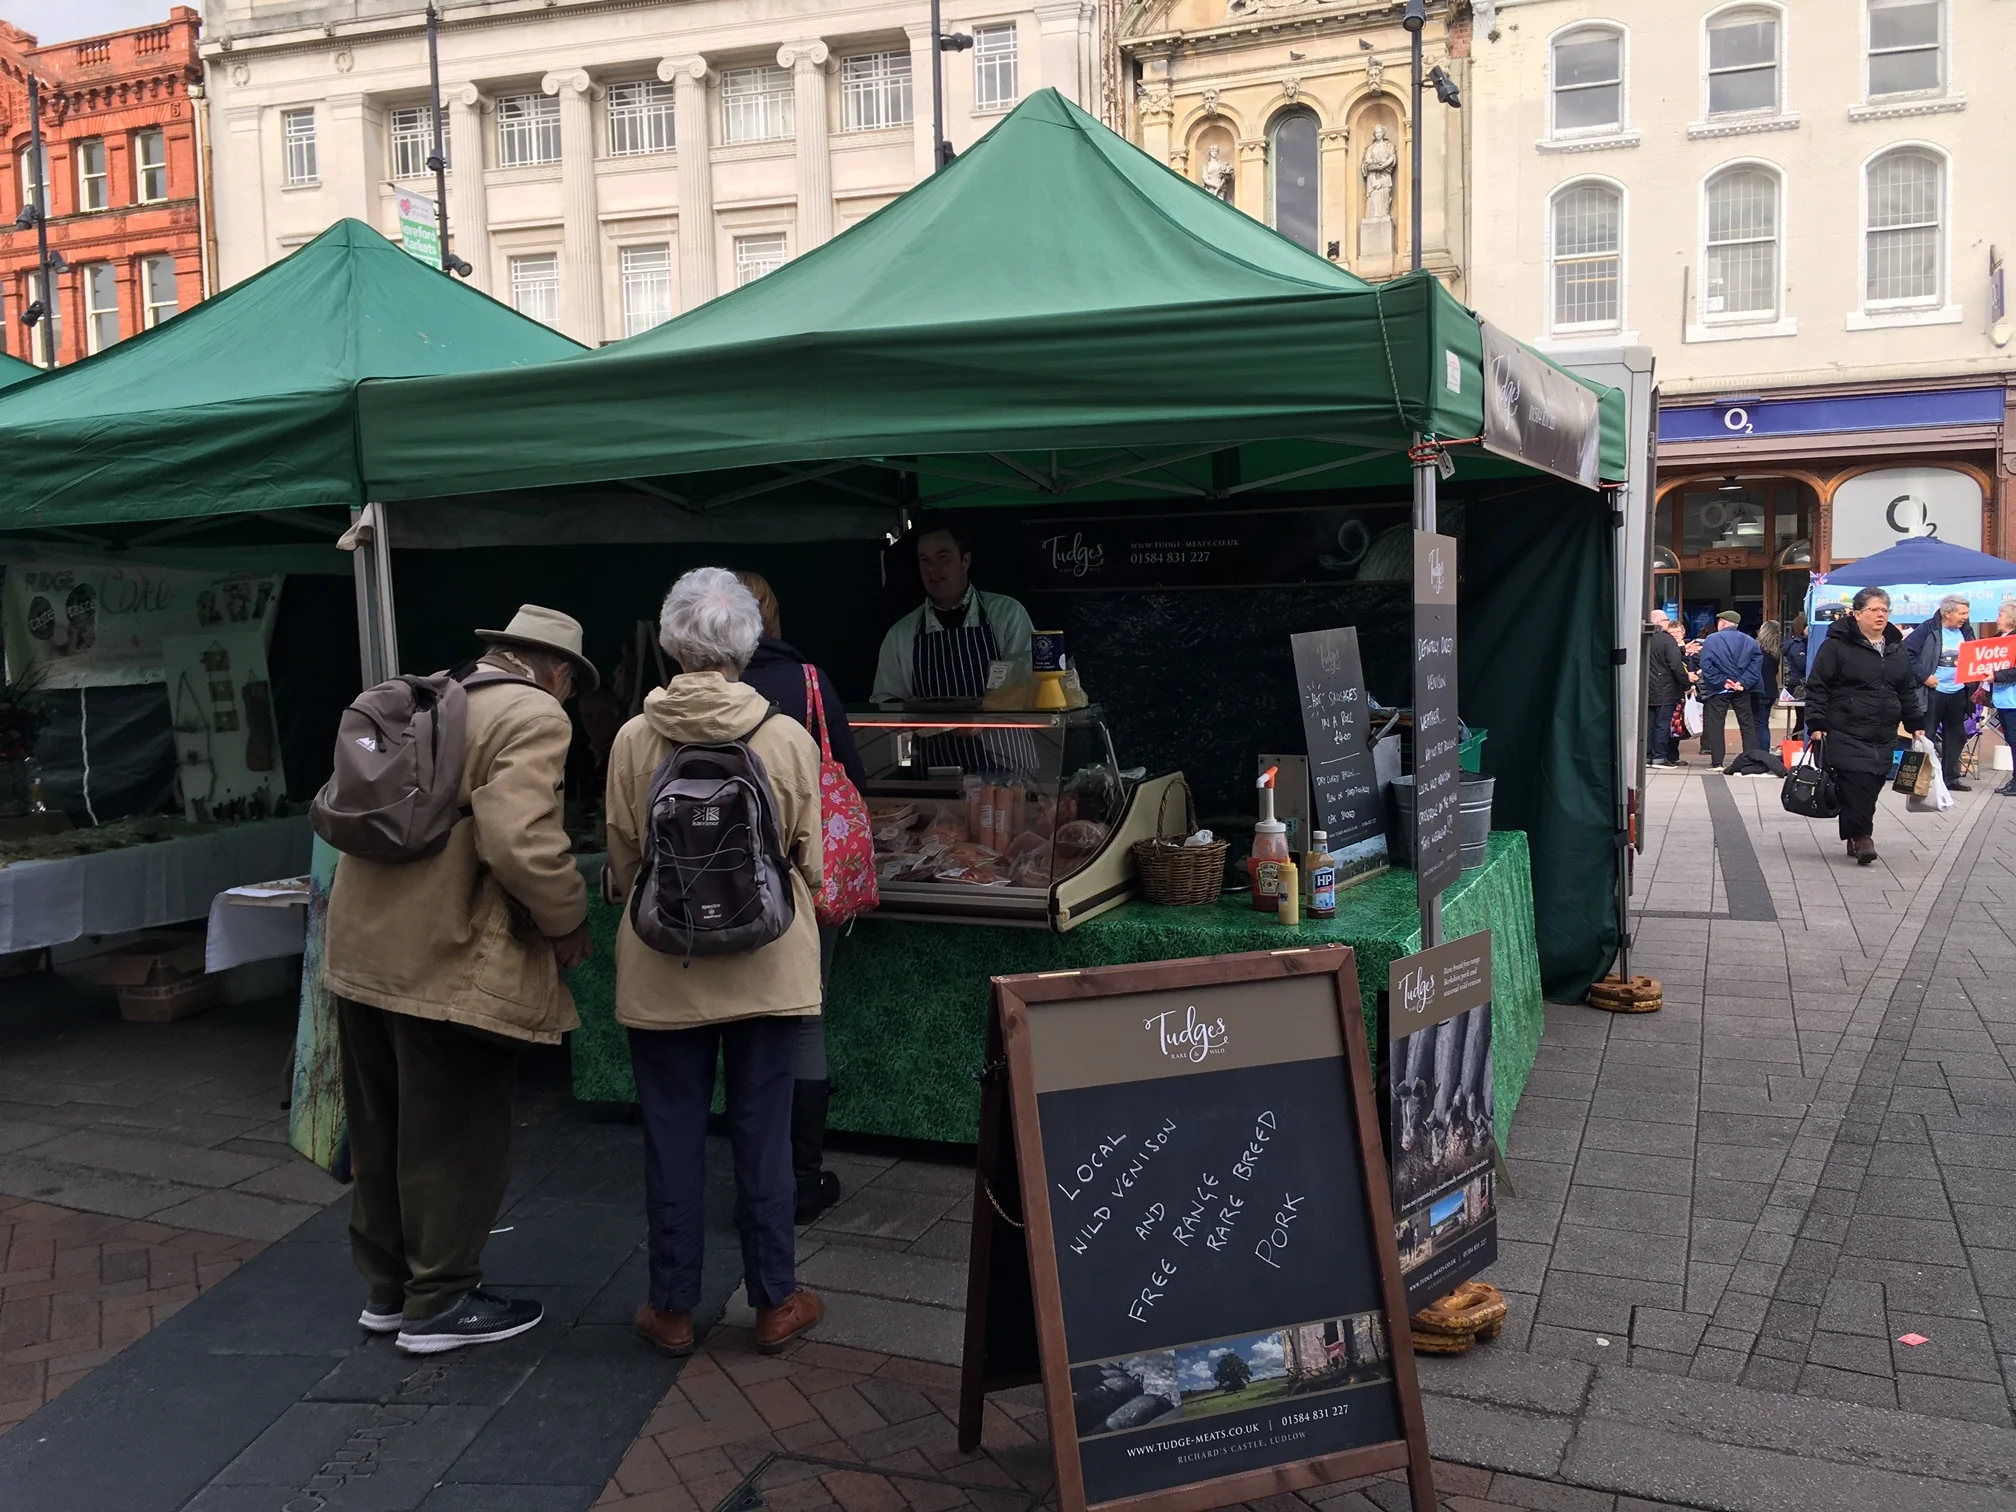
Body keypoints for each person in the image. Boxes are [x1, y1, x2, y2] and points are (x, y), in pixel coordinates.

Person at [325, 605, 597, 1353]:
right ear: (560, 672)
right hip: (446, 955)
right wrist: (565, 920)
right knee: (455, 1132)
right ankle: (440, 1303)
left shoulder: (424, 696)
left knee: (382, 1131)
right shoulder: (534, 714)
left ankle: (388, 1291)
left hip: (360, 947)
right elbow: (521, 841)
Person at [606, 568, 826, 1359]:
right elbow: (810, 860)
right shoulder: (784, 734)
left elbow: (626, 859)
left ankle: (670, 1309)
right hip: (769, 968)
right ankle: (775, 1303)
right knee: (762, 1137)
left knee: (672, 1137)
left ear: (671, 641)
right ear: (748, 641)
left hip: (665, 968)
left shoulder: (636, 738)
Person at [734, 569, 865, 1222]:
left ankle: (757, 1178)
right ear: (776, 616)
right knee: (803, 1018)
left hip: (721, 887)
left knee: (746, 1025)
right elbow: (852, 774)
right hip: (804, 880)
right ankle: (803, 1181)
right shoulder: (808, 682)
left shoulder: (695, 691)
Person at [1804, 587, 1928, 866]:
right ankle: (1862, 838)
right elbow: (1818, 685)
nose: (1880, 614)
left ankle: (1854, 831)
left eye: (1885, 610)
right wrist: (1816, 721)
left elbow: (1907, 688)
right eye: (1874, 609)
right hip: (1845, 726)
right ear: (1857, 614)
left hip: (1882, 730)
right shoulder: (1836, 645)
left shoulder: (1896, 648)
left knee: (1871, 783)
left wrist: (1915, 723)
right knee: (1856, 780)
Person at [872, 515, 1034, 707]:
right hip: (930, 737)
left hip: (1002, 736)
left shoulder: (1007, 614)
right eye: (924, 560)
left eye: (942, 557)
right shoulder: (900, 634)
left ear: (965, 560)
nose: (932, 568)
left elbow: (1028, 685)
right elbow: (886, 702)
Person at [1902, 595, 1979, 791]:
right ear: (1948, 613)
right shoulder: (1928, 628)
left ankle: (1950, 778)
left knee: (1956, 735)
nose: (1965, 617)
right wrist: (1924, 675)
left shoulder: (1966, 630)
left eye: (1967, 613)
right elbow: (1906, 653)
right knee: (1926, 736)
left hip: (1959, 691)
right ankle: (1923, 780)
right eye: (1962, 613)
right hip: (1932, 692)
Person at [1697, 611, 1762, 771]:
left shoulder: (1711, 639)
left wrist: (1722, 681)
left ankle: (1717, 762)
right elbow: (1756, 663)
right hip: (1741, 689)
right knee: (1747, 724)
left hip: (1718, 690)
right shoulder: (1750, 640)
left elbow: (1706, 664)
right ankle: (1750, 760)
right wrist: (1743, 682)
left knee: (1716, 724)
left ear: (1723, 623)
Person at [1646, 610, 1690, 769]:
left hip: (1646, 689)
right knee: (1663, 724)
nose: (1668, 622)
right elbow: (1676, 666)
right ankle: (1659, 757)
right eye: (1666, 619)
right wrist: (1686, 683)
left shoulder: (1644, 638)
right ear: (1659, 622)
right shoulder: (1666, 640)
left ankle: (1647, 756)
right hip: (1665, 689)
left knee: (1649, 724)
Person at [1992, 597, 2016, 798]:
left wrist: (1996, 676)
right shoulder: (2000, 638)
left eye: (2000, 615)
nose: (1996, 619)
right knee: (2011, 739)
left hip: (2013, 699)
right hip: (2003, 698)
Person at [1753, 620, 1782, 752]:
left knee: (1757, 724)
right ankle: (1763, 752)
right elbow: (1775, 671)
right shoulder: (1775, 651)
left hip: (1758, 690)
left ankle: (1759, 753)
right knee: (1763, 724)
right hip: (1771, 690)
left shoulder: (1756, 649)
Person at [1782, 614, 1810, 737]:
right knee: (1802, 719)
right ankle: (1795, 743)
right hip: (1799, 685)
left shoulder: (1801, 644)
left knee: (1802, 718)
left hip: (1797, 683)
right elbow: (1802, 665)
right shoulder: (1797, 645)